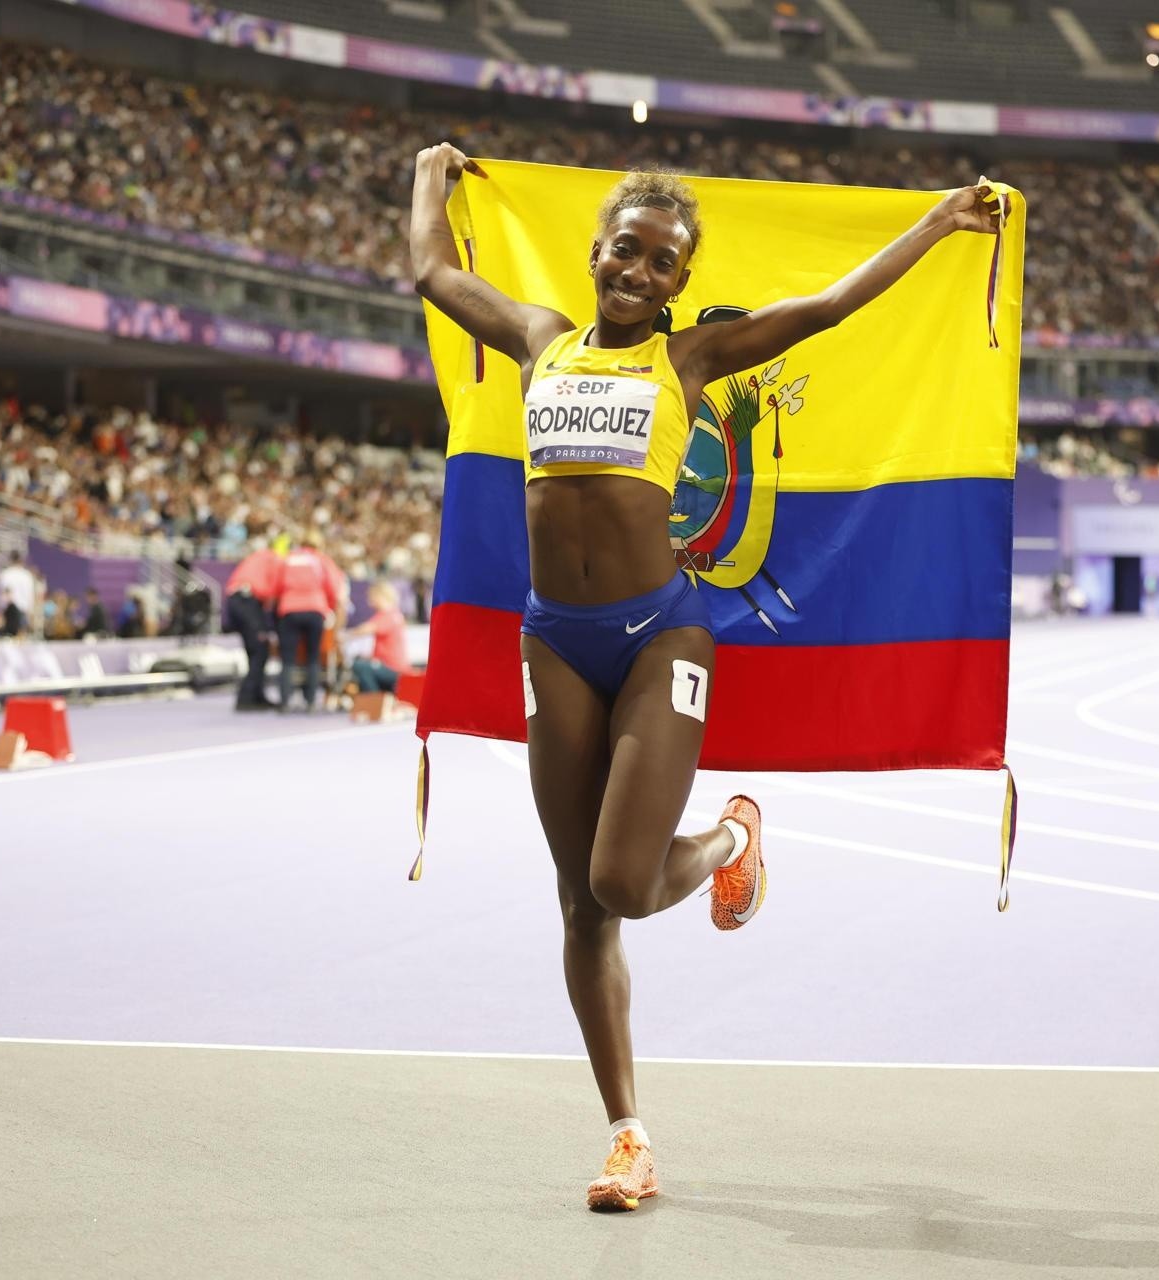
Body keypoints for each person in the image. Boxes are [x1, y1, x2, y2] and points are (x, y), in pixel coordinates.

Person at [410, 143, 1000, 1210]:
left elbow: (825, 307)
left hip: (658, 638)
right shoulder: (542, 340)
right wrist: (430, 175)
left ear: (681, 282)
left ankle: (733, 834)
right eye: (625, 249)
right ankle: (627, 1137)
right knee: (579, 904)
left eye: (662, 261)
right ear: (596, 253)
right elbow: (433, 277)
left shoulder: (689, 362)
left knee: (622, 883)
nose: (638, 269)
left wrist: (935, 226)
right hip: (554, 639)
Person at [275, 531, 343, 714]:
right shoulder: (320, 560)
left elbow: (278, 585)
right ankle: (311, 703)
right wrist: (328, 607)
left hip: (290, 610)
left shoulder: (288, 559)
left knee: (288, 658)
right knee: (313, 657)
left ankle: (285, 703)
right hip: (315, 610)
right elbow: (333, 586)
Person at [224, 538, 284, 711]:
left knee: (254, 650)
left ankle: (257, 695)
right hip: (247, 601)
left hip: (236, 600)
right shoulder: (275, 560)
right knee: (260, 649)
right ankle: (246, 698)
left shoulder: (258, 556)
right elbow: (273, 592)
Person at [346, 581, 411, 695]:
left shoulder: (387, 615)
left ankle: (375, 700)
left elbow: (366, 629)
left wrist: (345, 636)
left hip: (392, 667)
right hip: (391, 666)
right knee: (363, 664)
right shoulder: (395, 614)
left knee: (360, 667)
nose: (369, 601)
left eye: (372, 597)